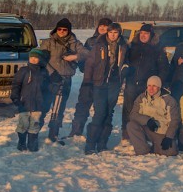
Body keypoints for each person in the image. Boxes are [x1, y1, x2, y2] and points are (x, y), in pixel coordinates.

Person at [38, 17, 87, 142]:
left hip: (65, 79)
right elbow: (41, 58)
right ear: (56, 29)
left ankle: (53, 133)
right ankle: (34, 132)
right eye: (59, 29)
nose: (61, 31)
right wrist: (51, 72)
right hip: (48, 79)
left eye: (64, 29)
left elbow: (87, 53)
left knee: (59, 109)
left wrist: (75, 56)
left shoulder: (74, 43)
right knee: (43, 106)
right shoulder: (48, 42)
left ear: (69, 31)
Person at [83, 22, 129, 154]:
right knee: (99, 113)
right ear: (107, 33)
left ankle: (102, 143)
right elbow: (90, 63)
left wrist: (125, 69)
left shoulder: (124, 46)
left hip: (114, 84)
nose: (113, 35)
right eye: (110, 32)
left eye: (115, 33)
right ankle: (90, 144)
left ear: (119, 33)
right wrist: (87, 81)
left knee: (109, 114)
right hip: (99, 83)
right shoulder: (99, 45)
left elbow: (127, 61)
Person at [69, 17, 111, 138]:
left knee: (101, 108)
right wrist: (83, 67)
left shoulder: (112, 42)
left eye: (106, 26)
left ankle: (96, 133)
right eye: (101, 26)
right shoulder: (91, 41)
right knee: (82, 105)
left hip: (104, 81)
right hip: (89, 79)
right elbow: (84, 56)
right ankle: (76, 131)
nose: (103, 28)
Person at [122, 24, 163, 141]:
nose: (143, 36)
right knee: (128, 110)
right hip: (131, 83)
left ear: (151, 36)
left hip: (147, 86)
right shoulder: (132, 47)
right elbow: (125, 62)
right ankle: (126, 135)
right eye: (142, 33)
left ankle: (145, 135)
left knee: (145, 111)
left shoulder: (157, 49)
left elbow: (163, 67)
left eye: (146, 34)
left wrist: (158, 83)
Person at [127, 76, 180, 156]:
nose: (151, 88)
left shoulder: (169, 100)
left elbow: (174, 121)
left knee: (171, 152)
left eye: (154, 86)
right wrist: (147, 120)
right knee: (131, 125)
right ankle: (142, 150)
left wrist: (169, 136)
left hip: (161, 132)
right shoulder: (141, 98)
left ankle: (155, 146)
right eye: (149, 86)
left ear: (159, 87)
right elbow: (133, 115)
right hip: (145, 129)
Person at [10, 48, 51, 152]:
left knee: (35, 124)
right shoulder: (23, 70)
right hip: (24, 103)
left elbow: (47, 88)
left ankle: (32, 143)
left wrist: (46, 102)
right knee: (23, 124)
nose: (33, 59)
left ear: (40, 59)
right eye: (31, 57)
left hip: (38, 104)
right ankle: (22, 142)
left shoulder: (44, 72)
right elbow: (16, 85)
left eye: (36, 58)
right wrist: (15, 97)